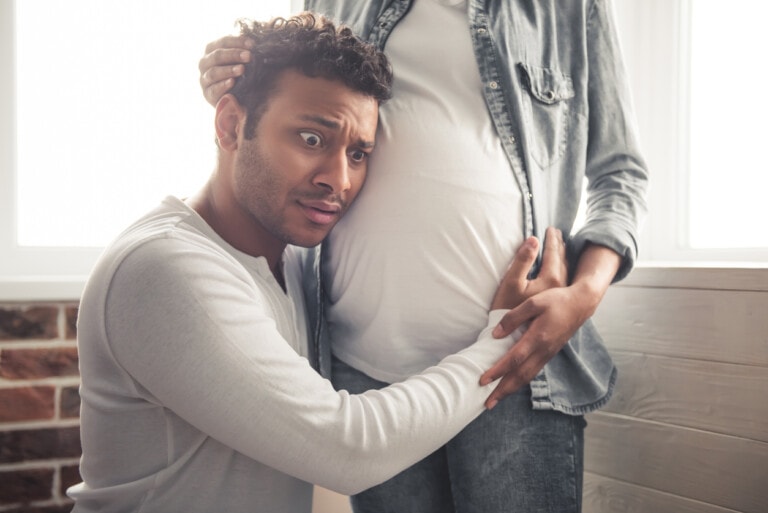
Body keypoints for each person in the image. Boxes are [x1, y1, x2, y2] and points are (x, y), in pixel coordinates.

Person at [68, 12, 569, 513]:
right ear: (230, 124)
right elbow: (348, 449)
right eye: (312, 139)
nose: (340, 180)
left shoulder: (294, 267)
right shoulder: (164, 268)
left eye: (358, 153)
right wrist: (504, 338)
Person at [199, 1, 649, 512]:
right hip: (363, 369)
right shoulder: (331, 4)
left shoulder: (569, 9)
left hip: (519, 365)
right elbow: (280, 114)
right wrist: (232, 76)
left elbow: (621, 174)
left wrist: (584, 295)